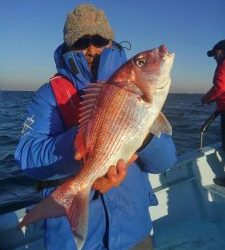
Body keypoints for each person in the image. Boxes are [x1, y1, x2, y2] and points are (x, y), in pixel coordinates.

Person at [15, 4, 177, 250]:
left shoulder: (131, 88)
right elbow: (27, 156)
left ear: (110, 42)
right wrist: (83, 146)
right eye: (81, 41)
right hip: (74, 241)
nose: (91, 49)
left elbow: (165, 162)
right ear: (69, 46)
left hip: (134, 230)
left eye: (99, 39)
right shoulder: (49, 94)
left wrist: (142, 136)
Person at [201, 40, 225, 150]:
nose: (214, 57)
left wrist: (206, 99)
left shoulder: (223, 66)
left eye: (216, 53)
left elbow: (219, 87)